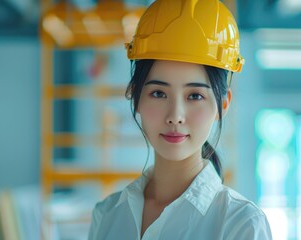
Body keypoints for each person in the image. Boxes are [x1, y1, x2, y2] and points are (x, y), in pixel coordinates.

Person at [88, 0, 273, 239]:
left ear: (223, 104)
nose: (175, 116)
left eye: (194, 96)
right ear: (135, 97)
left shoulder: (240, 224)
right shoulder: (107, 215)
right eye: (159, 93)